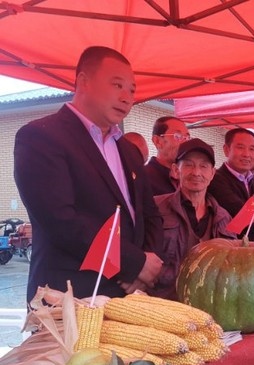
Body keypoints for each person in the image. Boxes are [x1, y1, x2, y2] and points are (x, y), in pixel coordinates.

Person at [14, 46, 163, 300]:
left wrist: (145, 266)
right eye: (117, 85)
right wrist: (134, 264)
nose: (127, 97)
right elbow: (61, 220)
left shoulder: (127, 149)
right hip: (70, 296)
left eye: (132, 90)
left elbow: (150, 214)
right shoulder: (41, 137)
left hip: (129, 295)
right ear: (84, 81)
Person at [151, 138, 235, 299]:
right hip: (163, 301)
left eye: (203, 166)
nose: (196, 172)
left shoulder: (224, 218)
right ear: (176, 170)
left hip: (208, 302)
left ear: (212, 173)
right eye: (188, 165)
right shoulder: (156, 208)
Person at [207, 128, 254, 244]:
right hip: (227, 249)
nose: (247, 154)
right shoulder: (215, 180)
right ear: (226, 150)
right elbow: (243, 214)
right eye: (240, 147)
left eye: (252, 149)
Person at [144, 116, 190, 196]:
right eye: (177, 136)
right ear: (157, 141)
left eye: (187, 137)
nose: (185, 143)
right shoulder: (144, 178)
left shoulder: (189, 176)